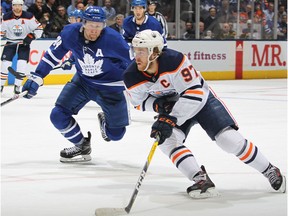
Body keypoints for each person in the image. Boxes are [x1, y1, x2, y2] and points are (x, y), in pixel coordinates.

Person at [123, 29, 286, 198]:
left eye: (141, 51)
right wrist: (159, 106)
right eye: (135, 50)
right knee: (167, 141)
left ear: (155, 52)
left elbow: (195, 94)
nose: (137, 56)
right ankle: (200, 179)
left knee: (228, 140)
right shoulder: (131, 75)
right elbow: (138, 103)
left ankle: (270, 170)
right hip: (173, 109)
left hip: (201, 101)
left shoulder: (175, 61)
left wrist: (170, 118)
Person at [21, 6, 131, 163]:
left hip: (110, 88)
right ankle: (81, 145)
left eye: (98, 26)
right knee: (57, 115)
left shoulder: (114, 40)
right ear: (83, 23)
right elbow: (52, 56)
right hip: (83, 82)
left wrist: (144, 88)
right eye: (91, 25)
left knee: (116, 135)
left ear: (104, 26)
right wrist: (37, 76)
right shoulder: (70, 33)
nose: (94, 30)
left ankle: (106, 121)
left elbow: (134, 65)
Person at [1, 0, 43, 94]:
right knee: (5, 65)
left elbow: (39, 29)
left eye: (19, 5)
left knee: (22, 65)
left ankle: (17, 86)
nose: (17, 7)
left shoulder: (29, 16)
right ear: (12, 6)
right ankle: (0, 85)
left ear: (22, 6)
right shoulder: (6, 17)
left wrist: (31, 37)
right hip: (10, 42)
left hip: (24, 44)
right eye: (15, 5)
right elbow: (2, 31)